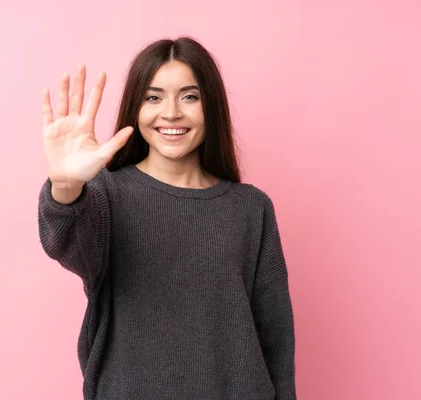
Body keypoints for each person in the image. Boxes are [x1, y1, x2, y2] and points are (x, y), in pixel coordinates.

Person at [38, 37, 297, 400]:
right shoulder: (104, 195)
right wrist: (65, 186)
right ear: (135, 107)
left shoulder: (251, 208)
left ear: (212, 107)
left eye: (189, 96)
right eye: (153, 97)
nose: (171, 112)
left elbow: (276, 337)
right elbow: (64, 242)